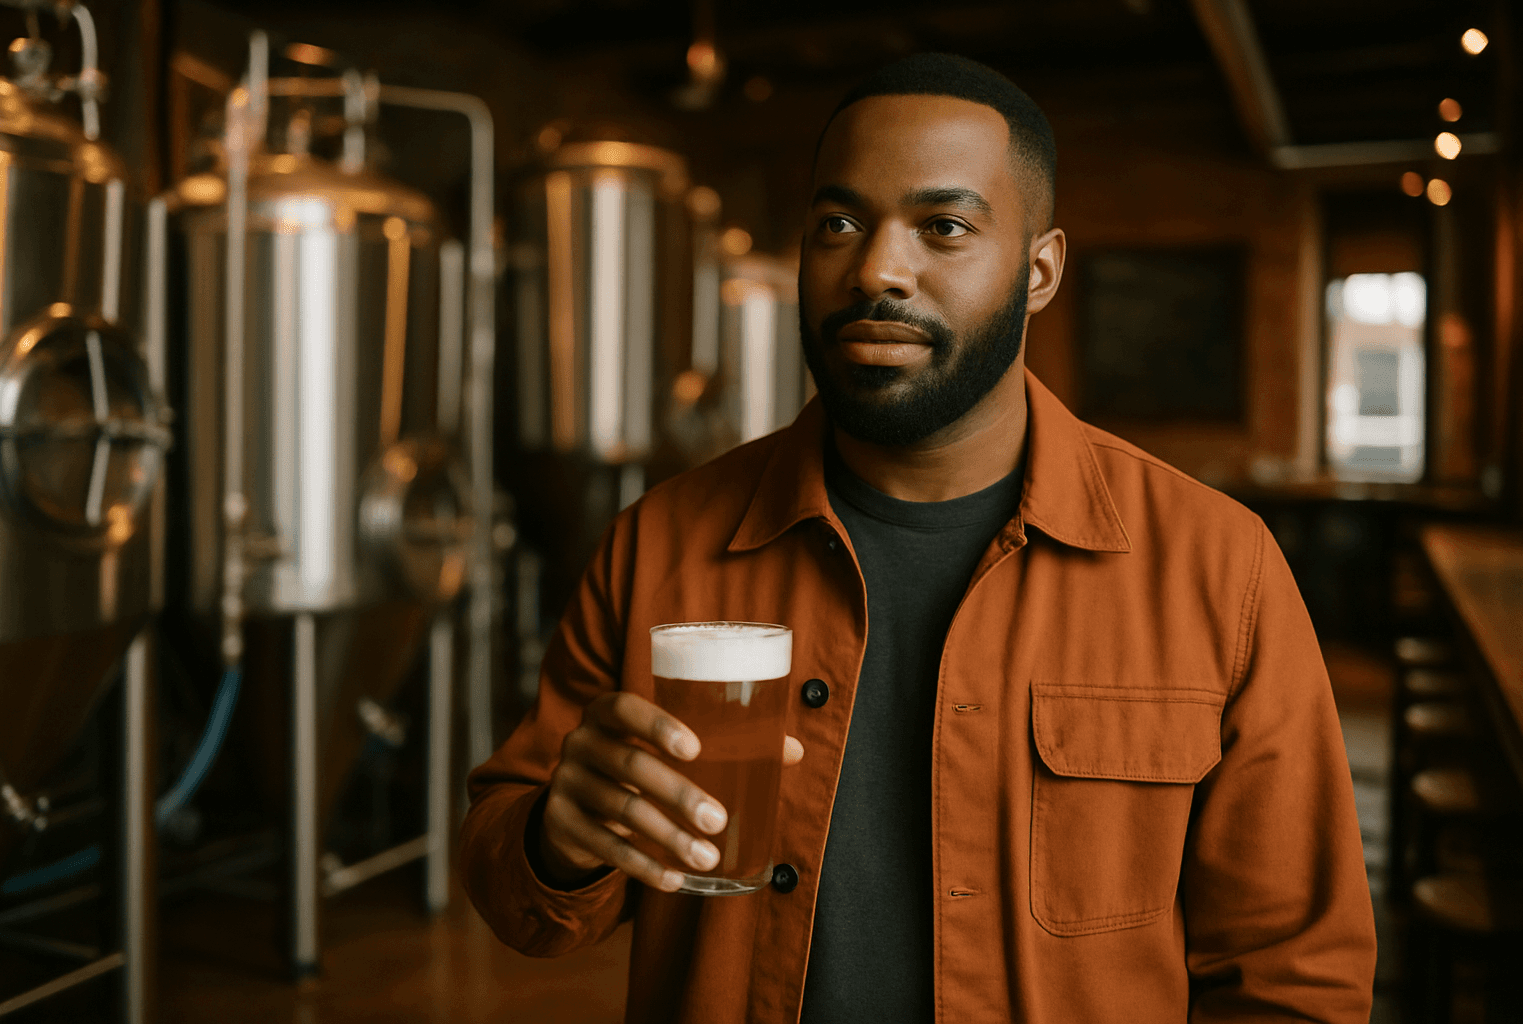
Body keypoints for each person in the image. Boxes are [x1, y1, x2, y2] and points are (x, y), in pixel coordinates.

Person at [460, 52, 1377, 1023]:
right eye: (839, 223)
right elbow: (518, 895)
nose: (876, 269)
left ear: (1039, 270)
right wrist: (560, 837)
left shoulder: (1215, 568)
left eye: (943, 227)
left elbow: (1295, 976)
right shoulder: (662, 543)